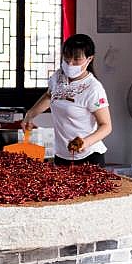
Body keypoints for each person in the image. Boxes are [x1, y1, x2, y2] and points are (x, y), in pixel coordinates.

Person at [21, 33, 111, 166]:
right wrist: (29, 115)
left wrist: (85, 142)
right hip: (61, 154)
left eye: (77, 59)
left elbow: (106, 126)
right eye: (67, 57)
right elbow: (49, 96)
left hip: (88, 156)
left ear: (89, 59)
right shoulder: (58, 77)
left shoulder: (93, 88)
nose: (70, 63)